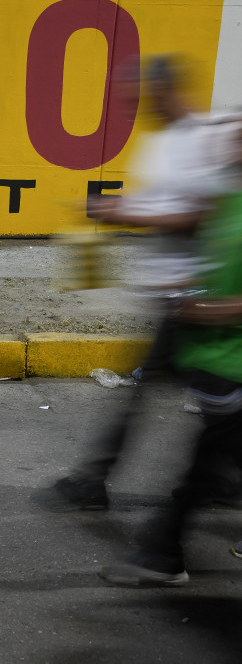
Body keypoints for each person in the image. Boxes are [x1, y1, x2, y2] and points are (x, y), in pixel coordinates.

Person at [42, 55, 242, 511]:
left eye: (142, 96)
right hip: (170, 294)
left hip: (193, 294)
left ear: (165, 90)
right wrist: (120, 206)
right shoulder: (162, 142)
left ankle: (95, 483)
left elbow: (202, 217)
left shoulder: (208, 139)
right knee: (205, 395)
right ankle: (218, 478)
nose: (136, 106)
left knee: (157, 393)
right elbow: (161, 200)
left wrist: (124, 214)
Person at [100, 151, 242, 586]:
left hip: (230, 362)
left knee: (206, 464)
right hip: (215, 358)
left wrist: (207, 310)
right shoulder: (231, 197)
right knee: (213, 460)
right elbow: (205, 236)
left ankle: (164, 556)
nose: (231, 148)